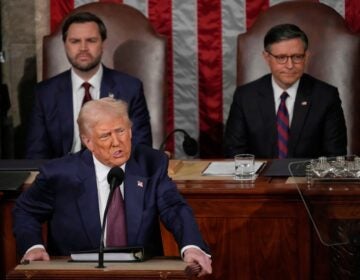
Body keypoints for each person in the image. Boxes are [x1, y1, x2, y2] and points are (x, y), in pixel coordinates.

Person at [13, 97, 212, 277]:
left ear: (131, 131)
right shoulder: (59, 174)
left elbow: (174, 208)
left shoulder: (151, 164)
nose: (117, 142)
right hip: (76, 274)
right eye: (105, 136)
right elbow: (25, 210)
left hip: (140, 274)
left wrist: (191, 245)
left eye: (121, 131)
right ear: (88, 141)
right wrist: (33, 246)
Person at [26, 12, 152, 159]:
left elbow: (140, 147)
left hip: (113, 174)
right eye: (75, 41)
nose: (83, 48)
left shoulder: (130, 88)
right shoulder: (45, 93)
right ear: (65, 45)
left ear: (103, 44)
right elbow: (35, 155)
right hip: (62, 176)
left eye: (91, 40)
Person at [224, 23, 347, 159]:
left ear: (306, 56)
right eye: (281, 58)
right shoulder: (245, 96)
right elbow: (235, 154)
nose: (290, 65)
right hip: (259, 178)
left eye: (297, 57)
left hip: (307, 178)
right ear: (267, 58)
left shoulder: (326, 96)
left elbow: (335, 157)